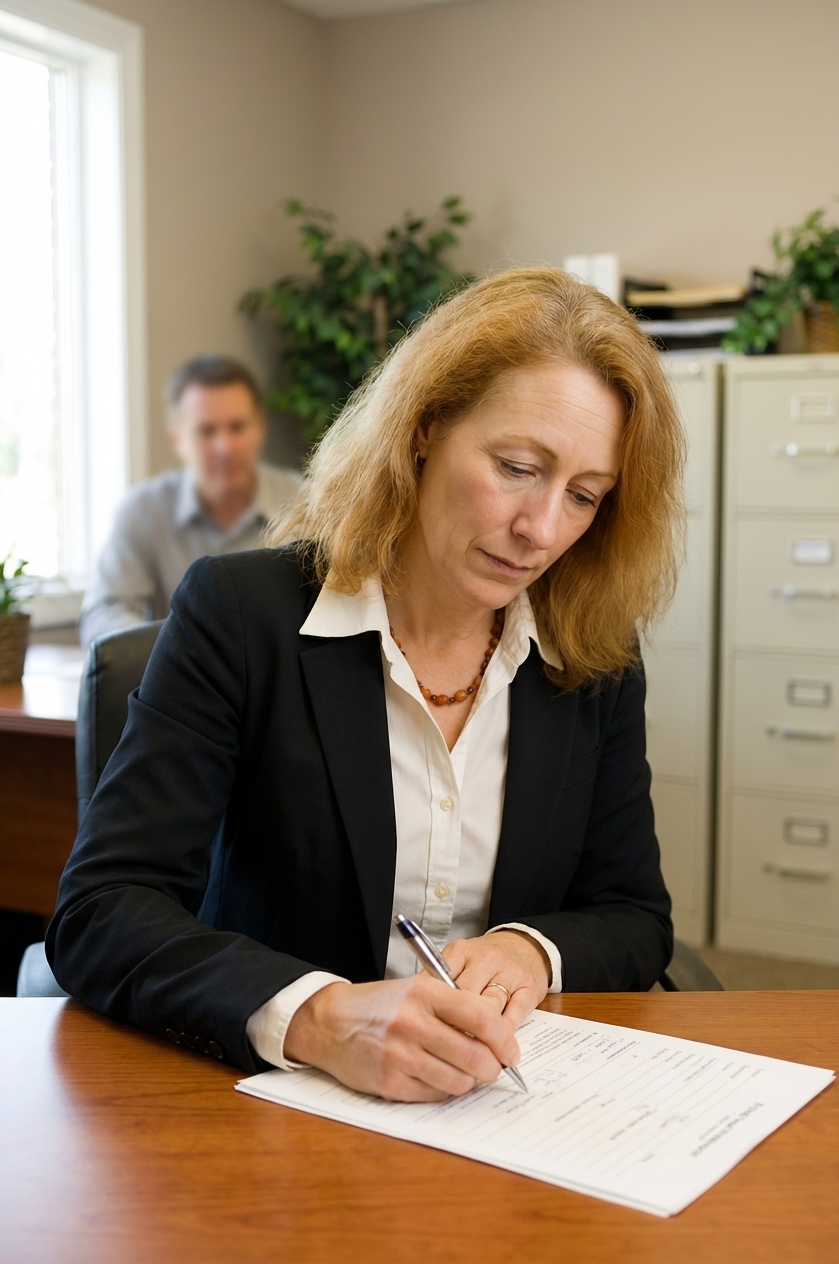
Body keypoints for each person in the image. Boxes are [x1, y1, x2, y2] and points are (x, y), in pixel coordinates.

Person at [50, 268, 684, 1103]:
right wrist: (319, 1016)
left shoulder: (593, 653)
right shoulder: (240, 616)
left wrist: (530, 948)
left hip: (504, 1107)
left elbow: (633, 915)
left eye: (583, 497)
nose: (540, 530)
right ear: (424, 427)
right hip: (282, 1106)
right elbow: (103, 909)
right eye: (517, 467)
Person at [79, 355, 303, 647]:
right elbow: (104, 613)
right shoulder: (142, 512)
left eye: (237, 427)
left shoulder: (307, 503)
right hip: (180, 684)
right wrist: (173, 653)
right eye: (207, 431)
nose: (224, 447)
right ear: (177, 439)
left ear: (259, 427)